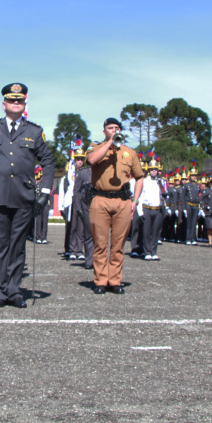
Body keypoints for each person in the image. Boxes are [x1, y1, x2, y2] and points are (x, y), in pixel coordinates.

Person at [0, 82, 55, 308]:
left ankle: (14, 291)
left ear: (25, 104)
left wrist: (44, 192)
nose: (16, 103)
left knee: (18, 246)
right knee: (0, 245)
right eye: (11, 100)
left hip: (24, 197)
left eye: (20, 100)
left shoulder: (34, 131)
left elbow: (48, 161)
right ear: (4, 104)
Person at [86, 117, 144, 294]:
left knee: (118, 245)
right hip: (100, 199)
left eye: (117, 128)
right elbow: (91, 160)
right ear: (104, 131)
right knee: (100, 243)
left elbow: (140, 177)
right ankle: (100, 281)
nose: (114, 130)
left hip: (122, 201)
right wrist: (109, 143)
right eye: (111, 128)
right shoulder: (95, 147)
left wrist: (135, 201)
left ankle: (115, 280)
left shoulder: (129, 152)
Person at [136, 153, 164, 260]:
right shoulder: (144, 181)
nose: (154, 171)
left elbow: (162, 196)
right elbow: (140, 197)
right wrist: (140, 211)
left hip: (157, 209)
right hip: (147, 208)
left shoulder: (160, 182)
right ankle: (147, 251)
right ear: (149, 170)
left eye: (155, 170)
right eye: (152, 169)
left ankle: (154, 251)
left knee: (155, 232)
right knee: (146, 232)